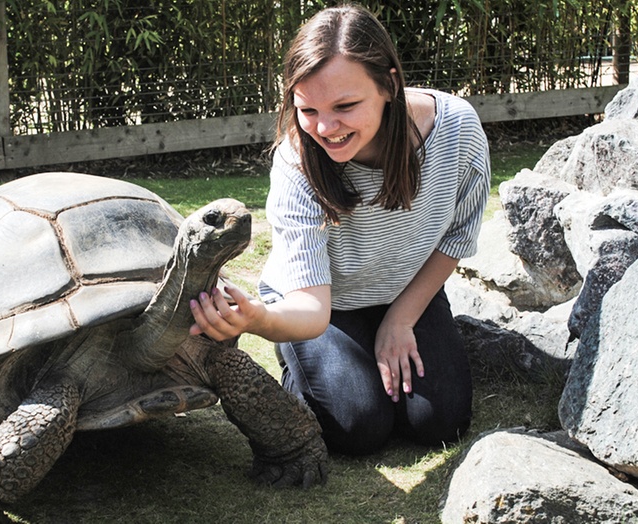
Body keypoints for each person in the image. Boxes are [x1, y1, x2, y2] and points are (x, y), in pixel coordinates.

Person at [189, 4, 490, 456]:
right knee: (357, 427)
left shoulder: (458, 130)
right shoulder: (296, 161)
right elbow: (311, 305)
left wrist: (401, 319)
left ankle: (372, 346)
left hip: (404, 288)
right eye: (307, 109)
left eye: (345, 106)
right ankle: (305, 365)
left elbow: (457, 237)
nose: (325, 129)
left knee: (441, 423)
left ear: (389, 84)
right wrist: (260, 320)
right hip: (318, 302)